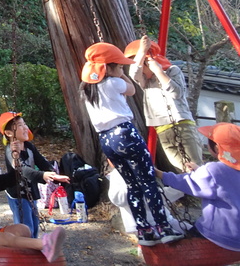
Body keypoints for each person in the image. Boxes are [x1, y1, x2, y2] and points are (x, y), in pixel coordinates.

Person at [81, 41, 183, 246]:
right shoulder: (113, 83)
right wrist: (120, 74)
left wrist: (109, 70)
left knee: (132, 185)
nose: (121, 68)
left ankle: (144, 230)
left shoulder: (87, 90)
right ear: (107, 68)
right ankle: (163, 227)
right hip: (125, 133)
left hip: (107, 140)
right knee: (148, 181)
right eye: (118, 65)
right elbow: (131, 90)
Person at [125, 35, 205, 172]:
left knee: (196, 167)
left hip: (183, 124)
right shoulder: (145, 81)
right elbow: (134, 73)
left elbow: (176, 93)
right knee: (180, 169)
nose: (139, 69)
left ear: (148, 61)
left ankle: (203, 192)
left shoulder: (172, 70)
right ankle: (188, 191)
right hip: (163, 130)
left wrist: (158, 72)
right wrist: (142, 51)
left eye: (140, 63)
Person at [155, 123, 240, 253]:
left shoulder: (213, 170)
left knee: (178, 234)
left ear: (217, 148)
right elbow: (223, 182)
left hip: (218, 235)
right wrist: (200, 170)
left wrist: (160, 174)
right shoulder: (216, 172)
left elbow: (187, 182)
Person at [0, 110, 69, 237]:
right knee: (25, 227)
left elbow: (42, 162)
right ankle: (25, 251)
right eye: (20, 126)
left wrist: (53, 174)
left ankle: (34, 247)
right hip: (18, 194)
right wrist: (42, 176)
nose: (25, 128)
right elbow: (22, 169)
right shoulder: (10, 150)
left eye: (25, 124)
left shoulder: (29, 146)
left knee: (35, 224)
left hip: (31, 191)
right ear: (8, 133)